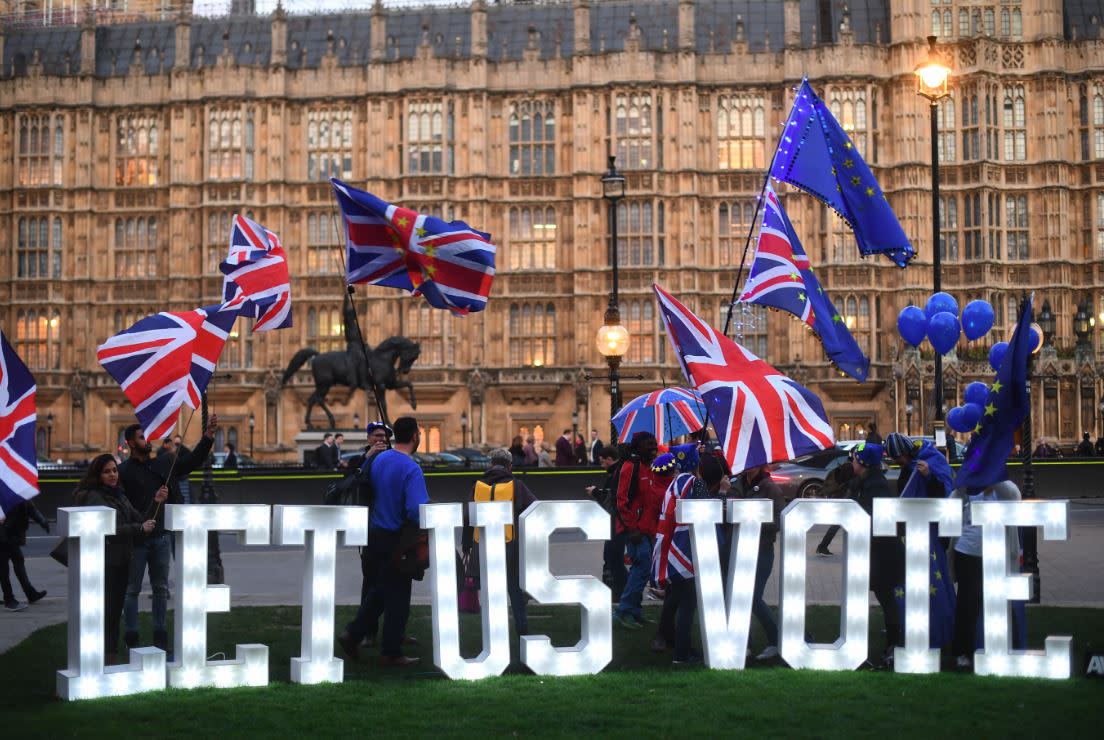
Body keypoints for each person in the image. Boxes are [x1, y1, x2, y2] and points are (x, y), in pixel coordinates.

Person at [119, 415, 216, 651]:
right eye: (142, 437)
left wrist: (207, 439)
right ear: (131, 443)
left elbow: (190, 463)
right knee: (132, 590)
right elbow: (123, 509)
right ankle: (131, 637)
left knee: (161, 589)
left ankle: (160, 636)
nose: (147, 440)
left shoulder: (163, 464)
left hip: (161, 538)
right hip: (137, 541)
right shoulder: (123, 472)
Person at [339, 416, 429, 667]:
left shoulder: (379, 460)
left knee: (382, 590)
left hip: (375, 534)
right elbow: (415, 509)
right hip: (398, 539)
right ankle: (383, 648)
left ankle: (359, 636)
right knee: (398, 595)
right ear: (415, 436)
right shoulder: (411, 468)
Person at [74, 454, 165, 664]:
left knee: (114, 613)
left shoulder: (119, 495)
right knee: (105, 613)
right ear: (97, 475)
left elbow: (141, 520)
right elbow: (108, 529)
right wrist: (138, 528)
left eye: (114, 470)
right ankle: (104, 657)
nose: (113, 475)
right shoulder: (94, 496)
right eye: (107, 471)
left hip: (121, 561)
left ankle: (109, 656)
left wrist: (155, 502)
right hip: (103, 563)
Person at [461, 448, 537, 635]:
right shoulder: (516, 485)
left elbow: (467, 517)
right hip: (510, 548)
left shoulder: (477, 486)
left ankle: (493, 635)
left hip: (483, 549)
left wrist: (467, 544)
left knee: (490, 592)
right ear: (510, 466)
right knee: (515, 591)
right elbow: (535, 508)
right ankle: (522, 631)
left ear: (490, 464)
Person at [951, 480, 1022, 671]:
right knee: (967, 605)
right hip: (968, 552)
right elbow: (950, 507)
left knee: (1002, 602)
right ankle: (962, 653)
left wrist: (995, 484)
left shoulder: (1006, 488)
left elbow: (1015, 500)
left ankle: (1011, 649)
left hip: (997, 554)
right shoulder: (966, 487)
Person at [651, 444, 706, 663]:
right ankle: (682, 653)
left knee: (681, 600)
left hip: (671, 548)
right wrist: (721, 493)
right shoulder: (695, 482)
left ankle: (682, 647)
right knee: (688, 605)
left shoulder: (674, 483)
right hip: (685, 549)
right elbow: (706, 511)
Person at [852, 442, 904, 668]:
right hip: (878, 553)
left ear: (863, 463)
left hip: (883, 555)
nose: (852, 463)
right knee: (885, 598)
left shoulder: (876, 488)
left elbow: (872, 520)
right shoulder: (868, 483)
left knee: (886, 598)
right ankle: (892, 641)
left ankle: (894, 644)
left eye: (854, 459)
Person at [732, 460, 785, 661]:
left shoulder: (770, 488)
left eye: (753, 461)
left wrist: (753, 524)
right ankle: (745, 644)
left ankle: (776, 640)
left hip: (762, 549)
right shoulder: (737, 483)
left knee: (753, 598)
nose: (749, 465)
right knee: (741, 598)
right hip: (741, 548)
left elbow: (778, 521)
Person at [612, 431, 664, 630]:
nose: (654, 447)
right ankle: (624, 611)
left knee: (642, 571)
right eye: (649, 444)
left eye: (654, 444)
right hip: (634, 531)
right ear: (638, 446)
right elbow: (620, 500)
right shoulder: (629, 467)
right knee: (641, 569)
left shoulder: (649, 468)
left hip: (648, 529)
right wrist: (631, 528)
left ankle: (634, 611)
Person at [586, 445, 625, 599]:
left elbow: (610, 500)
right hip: (617, 522)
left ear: (610, 459)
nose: (602, 465)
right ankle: (620, 591)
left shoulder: (616, 474)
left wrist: (595, 492)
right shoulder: (618, 471)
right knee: (612, 557)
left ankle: (619, 591)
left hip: (617, 523)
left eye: (603, 462)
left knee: (612, 558)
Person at [0, 499, 49, 611]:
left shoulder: (17, 496)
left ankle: (29, 593)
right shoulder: (11, 495)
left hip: (11, 536)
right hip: (4, 537)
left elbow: (30, 509)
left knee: (16, 562)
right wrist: (42, 521)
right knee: (4, 568)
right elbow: (31, 509)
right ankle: (9, 599)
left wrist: (42, 521)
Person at [815, 451, 859, 557]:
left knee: (841, 524)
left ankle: (823, 546)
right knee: (839, 524)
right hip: (846, 498)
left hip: (843, 498)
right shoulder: (849, 468)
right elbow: (850, 484)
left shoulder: (846, 465)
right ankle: (822, 547)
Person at [885, 433, 944, 498]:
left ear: (906, 452)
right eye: (892, 458)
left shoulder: (925, 466)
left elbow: (941, 494)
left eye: (896, 457)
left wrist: (929, 476)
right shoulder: (906, 469)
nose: (895, 461)